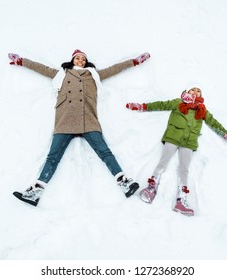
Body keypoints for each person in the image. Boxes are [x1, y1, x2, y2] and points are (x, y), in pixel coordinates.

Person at [8, 49, 151, 206]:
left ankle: (124, 182)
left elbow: (114, 69)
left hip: (88, 119)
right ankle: (35, 192)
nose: (80, 60)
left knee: (105, 152)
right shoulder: (62, 74)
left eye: (83, 59)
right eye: (78, 58)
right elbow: (41, 68)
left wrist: (134, 62)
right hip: (65, 120)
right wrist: (21, 61)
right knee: (52, 157)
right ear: (72, 60)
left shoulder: (93, 74)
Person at [126, 87, 227, 216]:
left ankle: (181, 201)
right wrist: (142, 106)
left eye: (198, 91)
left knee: (184, 170)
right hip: (173, 137)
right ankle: (151, 189)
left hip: (189, 142)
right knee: (163, 163)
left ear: (201, 95)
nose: (195, 92)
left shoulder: (202, 110)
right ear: (188, 92)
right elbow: (161, 105)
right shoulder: (179, 103)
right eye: (193, 90)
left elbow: (214, 124)